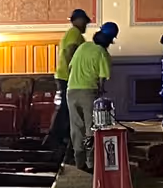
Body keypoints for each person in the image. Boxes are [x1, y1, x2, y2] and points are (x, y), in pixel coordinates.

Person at [65, 21, 117, 170]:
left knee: (76, 127)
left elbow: (71, 67)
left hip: (71, 91)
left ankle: (78, 161)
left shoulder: (82, 47)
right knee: (91, 127)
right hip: (88, 92)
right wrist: (100, 91)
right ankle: (91, 162)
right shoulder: (102, 53)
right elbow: (102, 78)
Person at [46, 9, 92, 155]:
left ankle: (59, 138)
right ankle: (55, 138)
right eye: (84, 21)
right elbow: (71, 51)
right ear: (78, 20)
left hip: (64, 75)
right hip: (67, 76)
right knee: (66, 109)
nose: (86, 25)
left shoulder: (72, 33)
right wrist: (74, 71)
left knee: (66, 108)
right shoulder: (74, 33)